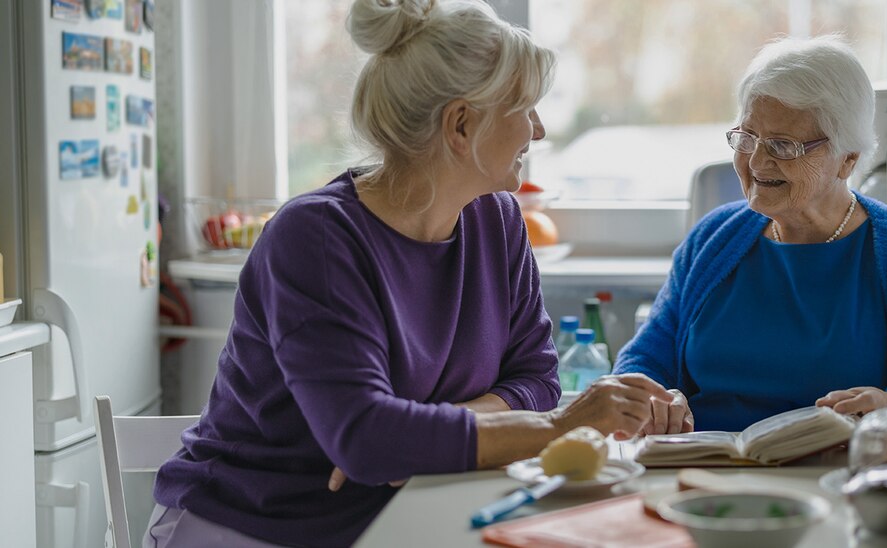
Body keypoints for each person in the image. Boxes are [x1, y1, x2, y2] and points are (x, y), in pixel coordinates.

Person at [146, 1, 675, 546]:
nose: (538, 130)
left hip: (397, 507)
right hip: (255, 523)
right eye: (525, 107)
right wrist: (560, 427)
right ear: (461, 125)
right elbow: (369, 441)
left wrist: (413, 436)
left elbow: (537, 379)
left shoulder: (497, 221)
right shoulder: (316, 238)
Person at [614, 35, 887, 434]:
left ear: (846, 160)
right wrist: (656, 399)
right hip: (704, 480)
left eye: (783, 145)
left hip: (843, 489)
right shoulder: (713, 239)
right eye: (747, 137)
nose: (756, 161)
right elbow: (642, 361)